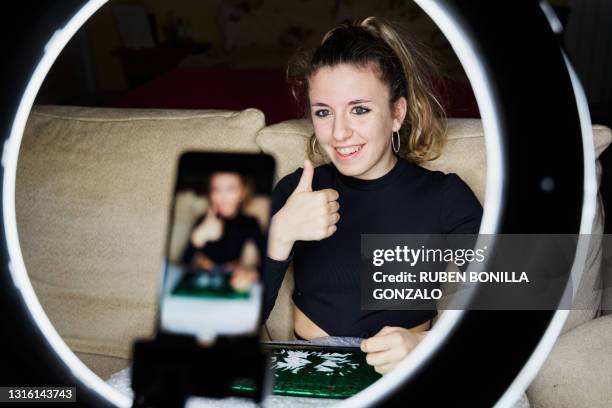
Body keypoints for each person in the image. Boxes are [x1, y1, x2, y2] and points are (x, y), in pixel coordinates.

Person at [262, 16, 483, 375]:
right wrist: (280, 234)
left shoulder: (445, 195)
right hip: (316, 366)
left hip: (411, 365)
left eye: (360, 109)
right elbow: (227, 322)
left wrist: (426, 346)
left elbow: (528, 294)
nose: (339, 133)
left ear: (397, 112)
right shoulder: (296, 191)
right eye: (323, 112)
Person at [181, 172, 263, 292]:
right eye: (216, 189)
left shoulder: (250, 222)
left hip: (232, 278)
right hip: (203, 277)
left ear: (242, 193)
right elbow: (184, 263)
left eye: (230, 188)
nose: (221, 196)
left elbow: (268, 261)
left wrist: (252, 273)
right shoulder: (203, 220)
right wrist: (198, 237)